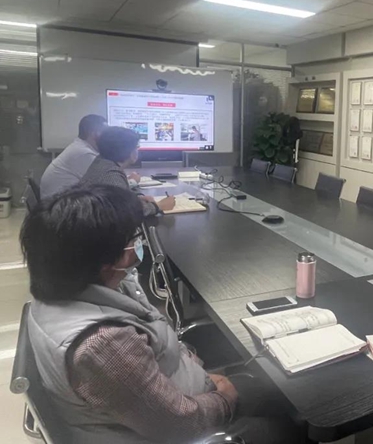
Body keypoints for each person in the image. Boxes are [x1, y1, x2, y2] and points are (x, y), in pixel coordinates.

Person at [23, 186, 301, 444]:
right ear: (105, 261)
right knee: (288, 426)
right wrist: (224, 397)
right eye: (133, 238)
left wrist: (198, 370)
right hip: (179, 427)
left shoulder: (67, 291)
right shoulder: (101, 345)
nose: (139, 242)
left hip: (172, 395)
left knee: (277, 394)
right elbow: (181, 425)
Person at [81, 126, 175, 214]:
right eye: (137, 147)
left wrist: (134, 198)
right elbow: (126, 213)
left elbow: (116, 199)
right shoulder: (111, 175)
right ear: (129, 151)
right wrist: (158, 206)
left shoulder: (102, 162)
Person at [40, 114, 107, 198]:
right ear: (94, 134)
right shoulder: (84, 153)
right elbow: (106, 183)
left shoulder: (79, 147)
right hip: (59, 203)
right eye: (105, 133)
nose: (108, 137)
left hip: (59, 200)